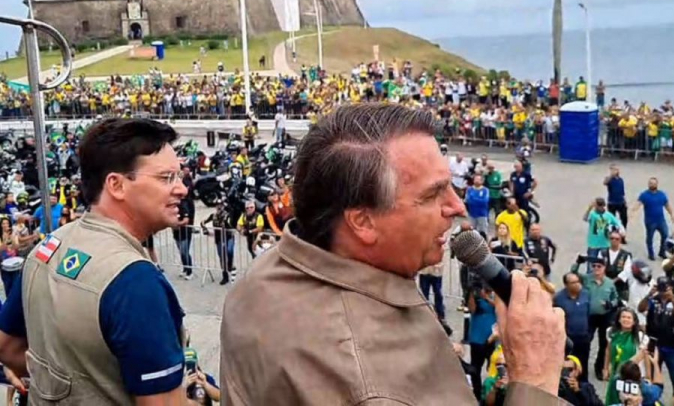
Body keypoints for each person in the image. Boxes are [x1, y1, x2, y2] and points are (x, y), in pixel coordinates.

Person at [220, 105, 569, 405]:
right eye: (432, 195)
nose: (457, 206)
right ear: (363, 222)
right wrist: (535, 380)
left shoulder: (264, 274)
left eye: (450, 185)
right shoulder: (378, 384)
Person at [0, 119, 194, 404]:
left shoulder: (49, 245)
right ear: (116, 185)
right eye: (166, 178)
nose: (182, 189)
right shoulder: (135, 282)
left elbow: (7, 347)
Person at [572, 253, 620, 381]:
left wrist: (611, 304)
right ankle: (582, 369)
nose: (596, 268)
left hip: (605, 316)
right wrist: (578, 263)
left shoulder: (609, 283)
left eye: (599, 266)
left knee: (603, 343)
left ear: (604, 268)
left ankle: (599, 368)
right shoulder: (586, 279)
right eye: (594, 266)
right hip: (589, 316)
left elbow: (616, 298)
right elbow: (573, 274)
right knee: (585, 342)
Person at [638, 276, 674, 393]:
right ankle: (655, 399)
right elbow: (641, 308)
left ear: (671, 287)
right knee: (653, 377)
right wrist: (649, 295)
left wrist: (672, 300)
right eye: (661, 288)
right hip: (655, 345)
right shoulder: (653, 300)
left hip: (673, 346)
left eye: (665, 288)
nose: (662, 292)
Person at [603, 308, 649, 404]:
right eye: (623, 317)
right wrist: (606, 368)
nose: (626, 319)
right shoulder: (611, 332)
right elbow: (608, 350)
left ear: (634, 321)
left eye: (629, 318)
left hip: (632, 375)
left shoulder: (640, 337)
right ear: (619, 319)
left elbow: (643, 356)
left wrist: (648, 377)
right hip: (615, 372)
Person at [554, 272, 592, 381]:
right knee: (568, 364)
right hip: (568, 338)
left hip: (583, 337)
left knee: (583, 363)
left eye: (578, 281)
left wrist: (589, 333)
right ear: (566, 285)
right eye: (573, 282)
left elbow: (590, 315)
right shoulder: (559, 298)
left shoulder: (586, 294)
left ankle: (583, 384)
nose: (577, 284)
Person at [631, 178, 674, 261]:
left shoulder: (661, 195)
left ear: (657, 184)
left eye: (654, 183)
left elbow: (667, 205)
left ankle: (662, 252)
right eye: (650, 183)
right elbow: (638, 204)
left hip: (661, 220)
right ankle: (651, 253)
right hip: (650, 221)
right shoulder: (644, 195)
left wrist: (672, 214)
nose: (652, 185)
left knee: (665, 235)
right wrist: (632, 212)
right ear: (648, 184)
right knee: (650, 237)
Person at [583, 198, 623, 263]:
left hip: (605, 244)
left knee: (605, 263)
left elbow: (618, 224)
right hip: (593, 244)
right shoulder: (592, 214)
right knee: (591, 263)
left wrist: (621, 232)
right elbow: (585, 218)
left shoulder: (608, 215)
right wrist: (589, 209)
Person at [600, 230, 633, 301]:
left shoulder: (626, 255)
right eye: (612, 238)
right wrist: (606, 280)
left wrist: (614, 280)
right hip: (604, 285)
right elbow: (599, 266)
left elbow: (627, 271)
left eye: (617, 239)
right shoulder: (602, 253)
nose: (614, 240)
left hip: (621, 287)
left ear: (620, 240)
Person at [604, 164, 628, 232]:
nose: (615, 171)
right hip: (612, 203)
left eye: (616, 169)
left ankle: (623, 231)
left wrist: (625, 201)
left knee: (624, 218)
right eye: (613, 169)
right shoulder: (609, 179)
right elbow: (605, 182)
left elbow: (622, 192)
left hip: (621, 202)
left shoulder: (621, 180)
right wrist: (611, 176)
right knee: (612, 219)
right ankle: (612, 231)